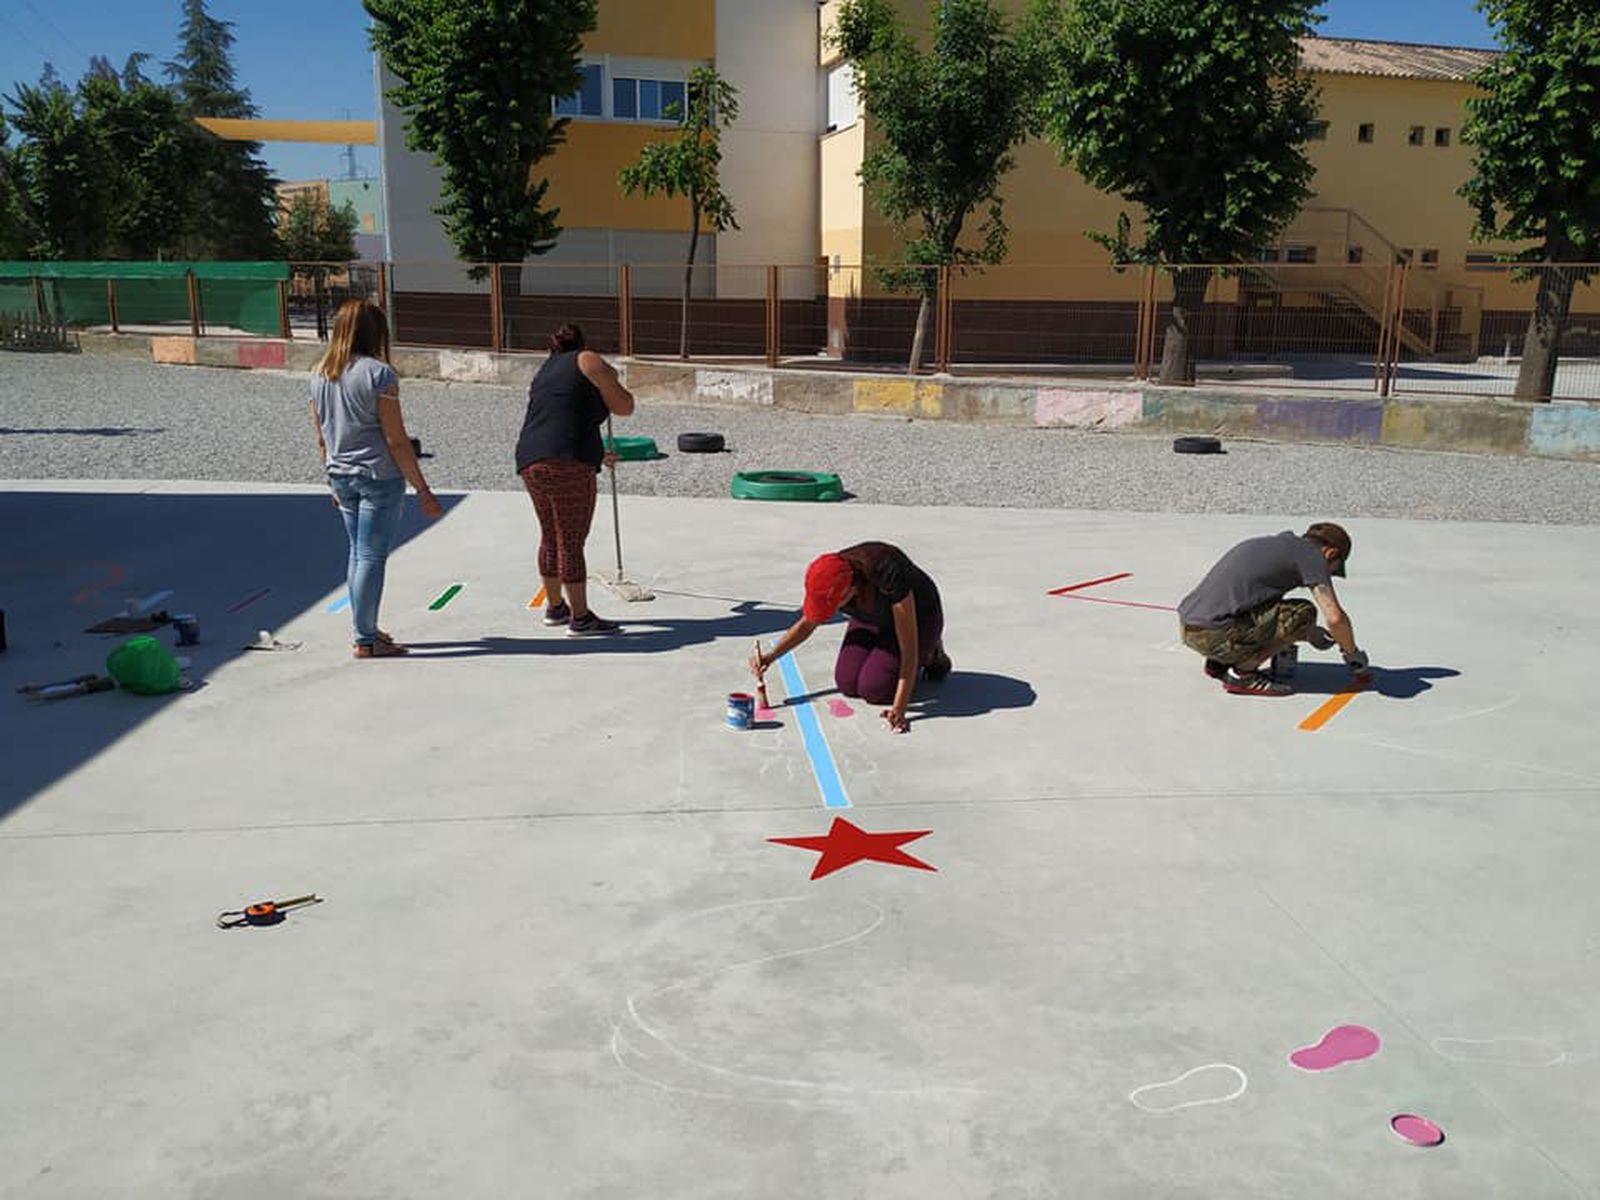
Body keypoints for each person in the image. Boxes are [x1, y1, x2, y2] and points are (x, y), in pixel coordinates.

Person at [309, 299, 441, 659]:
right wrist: (423, 490)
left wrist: (329, 478)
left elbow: (322, 435)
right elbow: (396, 439)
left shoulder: (320, 373)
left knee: (356, 553)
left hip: (340, 474)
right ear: (375, 332)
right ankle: (366, 638)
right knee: (371, 556)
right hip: (377, 476)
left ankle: (364, 629)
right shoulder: (379, 374)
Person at [751, 543, 951, 733]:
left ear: (849, 591)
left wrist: (899, 709)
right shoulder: (831, 573)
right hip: (871, 615)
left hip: (918, 618)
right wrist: (771, 657)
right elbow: (807, 625)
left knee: (874, 689)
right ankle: (887, 647)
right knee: (847, 683)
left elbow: (908, 649)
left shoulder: (888, 570)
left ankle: (932, 653)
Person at [515, 323, 636, 636]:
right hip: (566, 463)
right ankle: (580, 618)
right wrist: (611, 376)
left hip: (531, 459)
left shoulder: (546, 370)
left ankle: (556, 607)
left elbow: (564, 416)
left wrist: (595, 456)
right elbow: (625, 406)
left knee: (550, 536)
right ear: (582, 343)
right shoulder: (587, 360)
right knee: (571, 541)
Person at [1177, 522, 1369, 696]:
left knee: (1279, 611)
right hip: (1216, 635)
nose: (1329, 574)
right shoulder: (1312, 556)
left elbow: (1259, 605)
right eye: (1333, 570)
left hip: (1191, 630)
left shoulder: (1277, 546)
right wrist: (1352, 654)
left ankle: (1218, 663)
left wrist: (1310, 633)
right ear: (1330, 553)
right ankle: (1243, 674)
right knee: (1301, 613)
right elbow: (1335, 618)